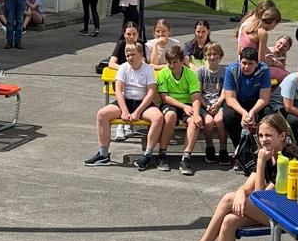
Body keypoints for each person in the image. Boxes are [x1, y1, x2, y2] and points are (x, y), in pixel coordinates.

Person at [171, 111, 298, 241]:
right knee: (229, 221)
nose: (263, 139)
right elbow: (248, 188)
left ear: (282, 136)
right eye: (260, 135)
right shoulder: (267, 153)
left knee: (228, 199)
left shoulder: (290, 159)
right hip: (270, 211)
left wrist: (260, 164)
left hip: (289, 216)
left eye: (268, 135)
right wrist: (241, 193)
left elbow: (261, 197)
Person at [85, 43, 154, 166]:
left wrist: (138, 112)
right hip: (125, 101)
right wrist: (125, 111)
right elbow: (118, 90)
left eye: (133, 55)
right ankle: (103, 155)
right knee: (102, 114)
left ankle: (148, 155)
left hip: (142, 103)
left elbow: (151, 92)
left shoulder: (148, 69)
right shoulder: (123, 67)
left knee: (158, 117)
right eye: (127, 55)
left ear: (141, 55)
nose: (130, 58)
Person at [148, 44, 204, 175]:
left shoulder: (190, 74)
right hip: (170, 103)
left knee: (194, 122)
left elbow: (196, 97)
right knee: (170, 116)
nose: (172, 65)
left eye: (175, 62)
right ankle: (162, 154)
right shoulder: (164, 73)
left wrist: (196, 114)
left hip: (187, 104)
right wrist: (183, 106)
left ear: (182, 61)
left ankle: (186, 158)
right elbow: (165, 97)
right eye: (169, 62)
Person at [216, 45, 274, 166]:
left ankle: (265, 151)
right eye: (244, 63)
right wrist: (243, 113)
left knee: (269, 115)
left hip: (256, 102)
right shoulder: (232, 70)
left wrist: (252, 112)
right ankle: (242, 151)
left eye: (250, 64)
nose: (246, 67)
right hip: (237, 101)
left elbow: (264, 98)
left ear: (257, 64)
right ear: (239, 62)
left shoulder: (264, 70)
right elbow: (230, 98)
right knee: (228, 116)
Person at [194, 42, 229, 163]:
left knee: (219, 120)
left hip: (219, 102)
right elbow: (197, 92)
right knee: (208, 122)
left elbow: (225, 91)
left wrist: (218, 104)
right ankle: (209, 146)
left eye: (215, 54)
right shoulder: (200, 71)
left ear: (220, 55)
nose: (212, 57)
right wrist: (206, 105)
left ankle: (223, 149)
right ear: (205, 56)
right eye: (209, 54)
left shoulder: (225, 71)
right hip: (204, 103)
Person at [237, 0, 283, 67]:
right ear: (274, 22)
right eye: (275, 25)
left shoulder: (250, 25)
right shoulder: (262, 33)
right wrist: (274, 64)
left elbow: (241, 49)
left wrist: (273, 56)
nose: (273, 28)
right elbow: (261, 60)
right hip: (252, 66)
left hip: (242, 62)